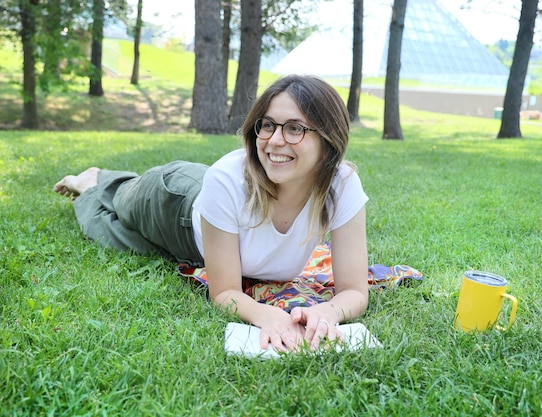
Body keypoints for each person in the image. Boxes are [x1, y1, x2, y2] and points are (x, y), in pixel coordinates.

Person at [54, 75, 369, 352]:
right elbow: (225, 291)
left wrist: (328, 312)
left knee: (128, 240)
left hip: (212, 201)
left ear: (328, 139)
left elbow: (354, 291)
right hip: (173, 200)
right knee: (118, 207)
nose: (275, 140)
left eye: (295, 129)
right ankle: (93, 182)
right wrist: (268, 316)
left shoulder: (342, 185)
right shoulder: (225, 178)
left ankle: (100, 181)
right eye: (268, 125)